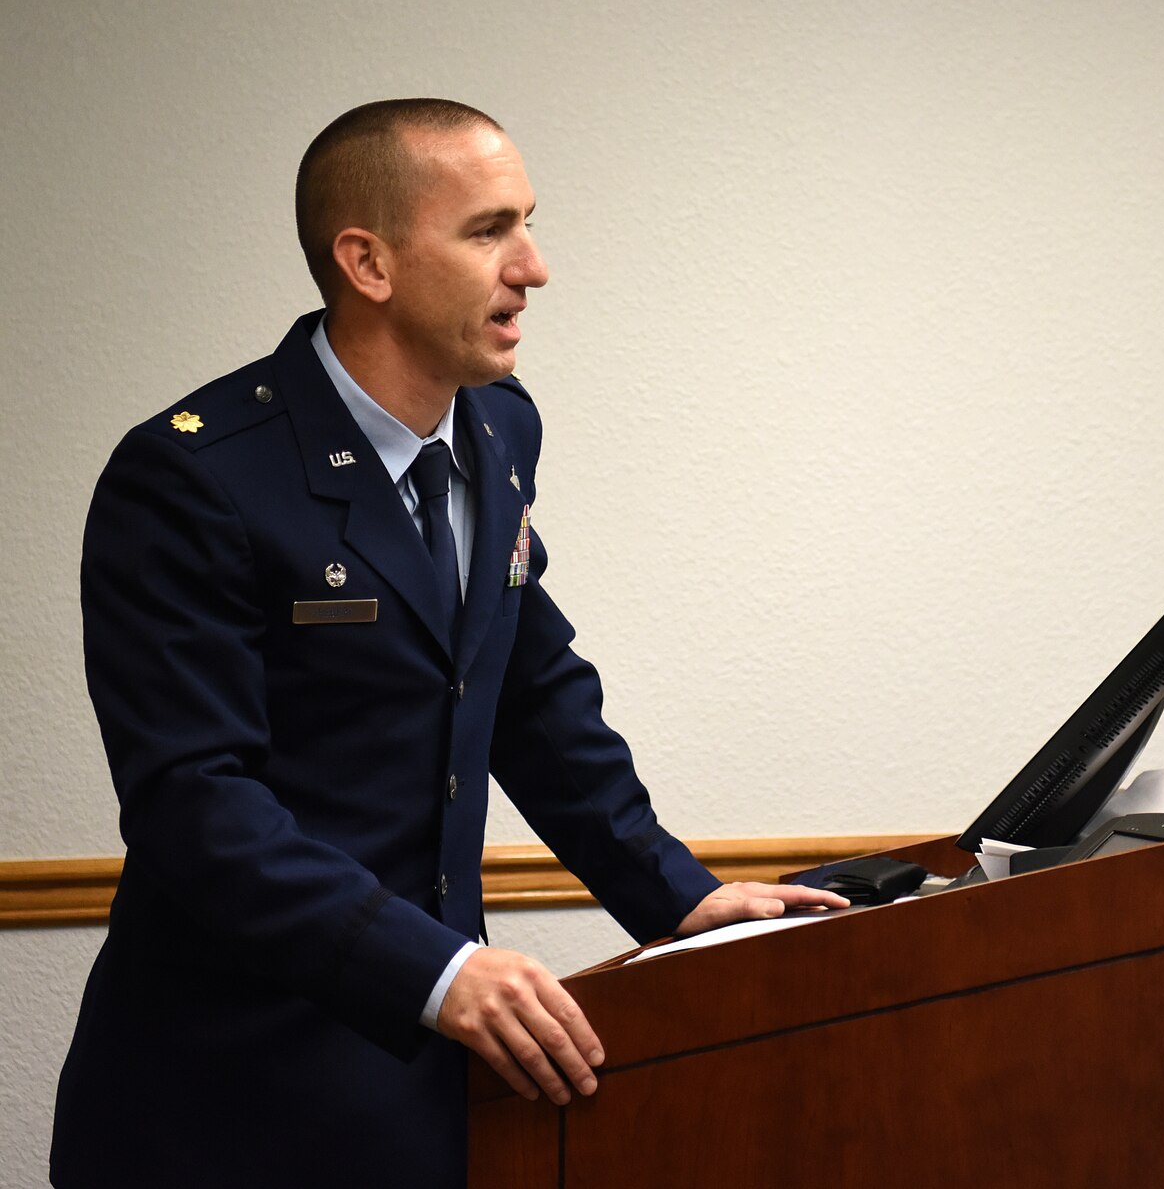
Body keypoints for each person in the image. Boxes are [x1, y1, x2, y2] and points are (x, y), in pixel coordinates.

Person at [50, 99, 844, 1188]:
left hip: (422, 1086)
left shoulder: (499, 426)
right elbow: (197, 804)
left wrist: (679, 896)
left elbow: (528, 688)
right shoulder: (196, 475)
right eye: (487, 231)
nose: (534, 267)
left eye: (527, 223)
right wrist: (437, 974)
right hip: (225, 1092)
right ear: (366, 262)